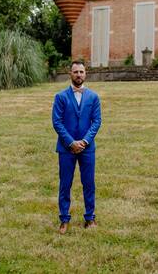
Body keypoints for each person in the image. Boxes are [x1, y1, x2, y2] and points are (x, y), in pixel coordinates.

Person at [52, 61, 101, 234]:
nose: (78, 74)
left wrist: (85, 141)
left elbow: (96, 122)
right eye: (75, 72)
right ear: (70, 74)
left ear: (85, 74)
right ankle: (64, 219)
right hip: (66, 148)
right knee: (65, 184)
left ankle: (90, 218)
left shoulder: (93, 97)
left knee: (89, 183)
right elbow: (57, 122)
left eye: (81, 71)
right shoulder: (60, 97)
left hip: (87, 148)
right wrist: (71, 142)